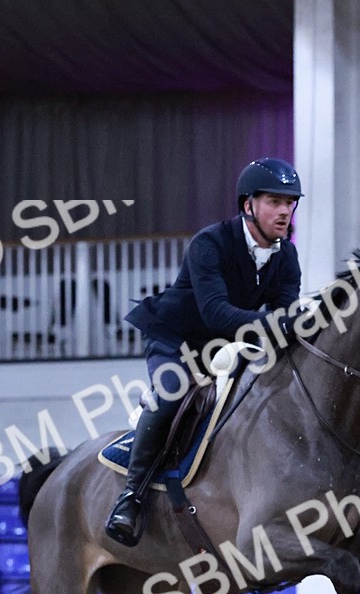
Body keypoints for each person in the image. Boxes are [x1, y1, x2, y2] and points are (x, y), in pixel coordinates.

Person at [104, 157, 304, 546]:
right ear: (248, 205)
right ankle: (130, 498)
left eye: (290, 202)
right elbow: (215, 312)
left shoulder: (287, 256)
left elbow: (286, 317)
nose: (284, 211)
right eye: (274, 202)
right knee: (171, 393)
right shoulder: (210, 242)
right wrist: (278, 323)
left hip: (230, 346)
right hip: (177, 340)